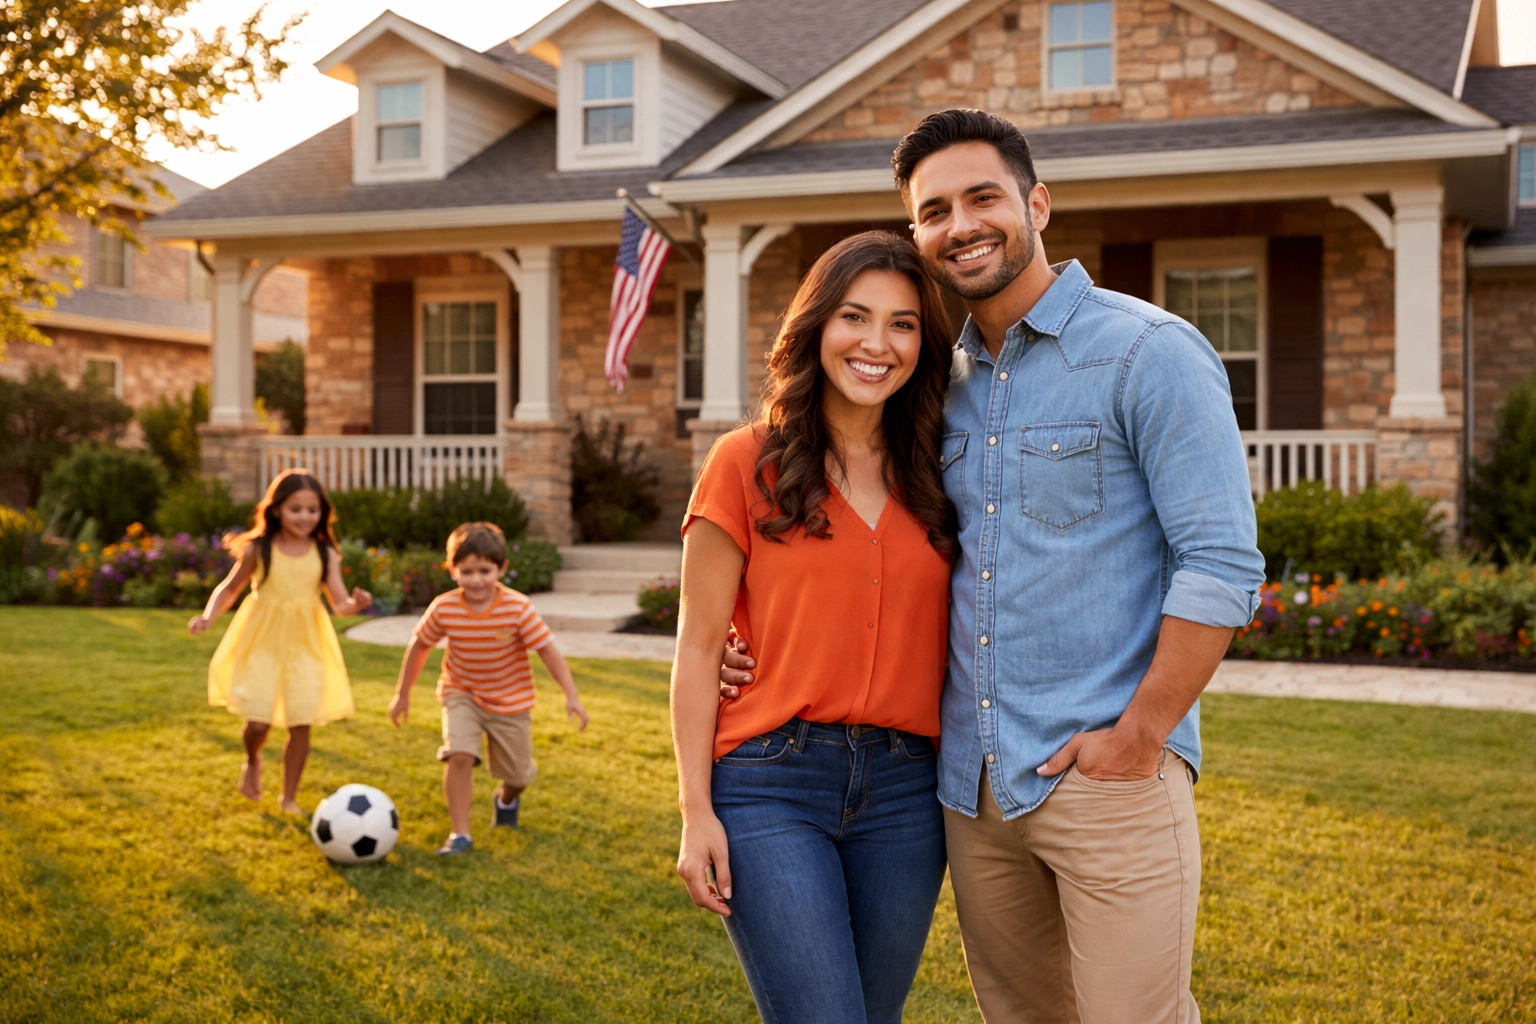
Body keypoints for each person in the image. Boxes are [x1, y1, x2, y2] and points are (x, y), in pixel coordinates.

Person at [723, 109, 1266, 1023]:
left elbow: (1220, 563)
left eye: (983, 197)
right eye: (935, 210)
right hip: (971, 796)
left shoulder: (1148, 352)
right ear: (918, 235)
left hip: (1109, 779)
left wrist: (1141, 735)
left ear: (1037, 203)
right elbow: (876, 559)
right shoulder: (934, 392)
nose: (961, 224)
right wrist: (750, 649)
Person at [672, 232, 958, 1024]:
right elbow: (698, 646)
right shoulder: (744, 462)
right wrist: (697, 811)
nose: (877, 344)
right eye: (855, 317)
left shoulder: (943, 469)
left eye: (903, 324)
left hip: (908, 792)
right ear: (816, 328)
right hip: (770, 782)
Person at [389, 521, 588, 856]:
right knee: (459, 755)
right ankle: (460, 835)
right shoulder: (444, 607)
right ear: (452, 569)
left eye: (484, 570)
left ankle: (506, 799)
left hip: (511, 701)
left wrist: (572, 696)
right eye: (466, 571)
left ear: (501, 568)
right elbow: (420, 645)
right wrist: (402, 693)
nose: (476, 579)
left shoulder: (518, 608)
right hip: (461, 693)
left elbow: (547, 651)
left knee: (519, 775)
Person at [191, 468, 372, 814]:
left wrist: (356, 605)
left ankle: (289, 796)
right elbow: (229, 588)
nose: (305, 516)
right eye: (296, 509)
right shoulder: (261, 549)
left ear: (322, 512)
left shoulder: (324, 553)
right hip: (262, 641)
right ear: (275, 510)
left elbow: (340, 603)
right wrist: (209, 616)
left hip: (306, 644)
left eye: (312, 509)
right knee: (258, 721)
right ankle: (253, 758)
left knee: (300, 720)